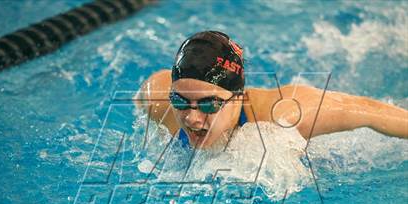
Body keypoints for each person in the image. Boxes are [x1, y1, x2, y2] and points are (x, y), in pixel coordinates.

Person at [135, 30, 408, 149]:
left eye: (209, 104)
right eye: (181, 101)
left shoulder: (286, 113)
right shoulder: (158, 100)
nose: (192, 119)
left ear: (238, 96)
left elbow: (368, 111)